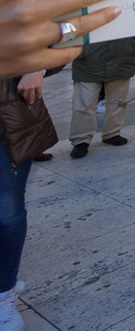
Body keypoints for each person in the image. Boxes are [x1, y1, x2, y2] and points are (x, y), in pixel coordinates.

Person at [1, 65, 61, 329]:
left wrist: (38, 68)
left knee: (7, 214)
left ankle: (4, 293)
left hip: (9, 123)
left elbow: (63, 44)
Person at [0, 0, 124, 79]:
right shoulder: (73, 5)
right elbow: (62, 39)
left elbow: (60, 43)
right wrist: (37, 71)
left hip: (118, 72)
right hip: (88, 71)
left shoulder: (124, 8)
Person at [68, 0, 135, 159]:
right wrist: (79, 50)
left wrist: (134, 45)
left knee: (118, 102)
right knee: (83, 105)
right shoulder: (83, 3)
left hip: (121, 60)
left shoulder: (130, 3)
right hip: (88, 62)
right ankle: (81, 140)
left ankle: (112, 133)